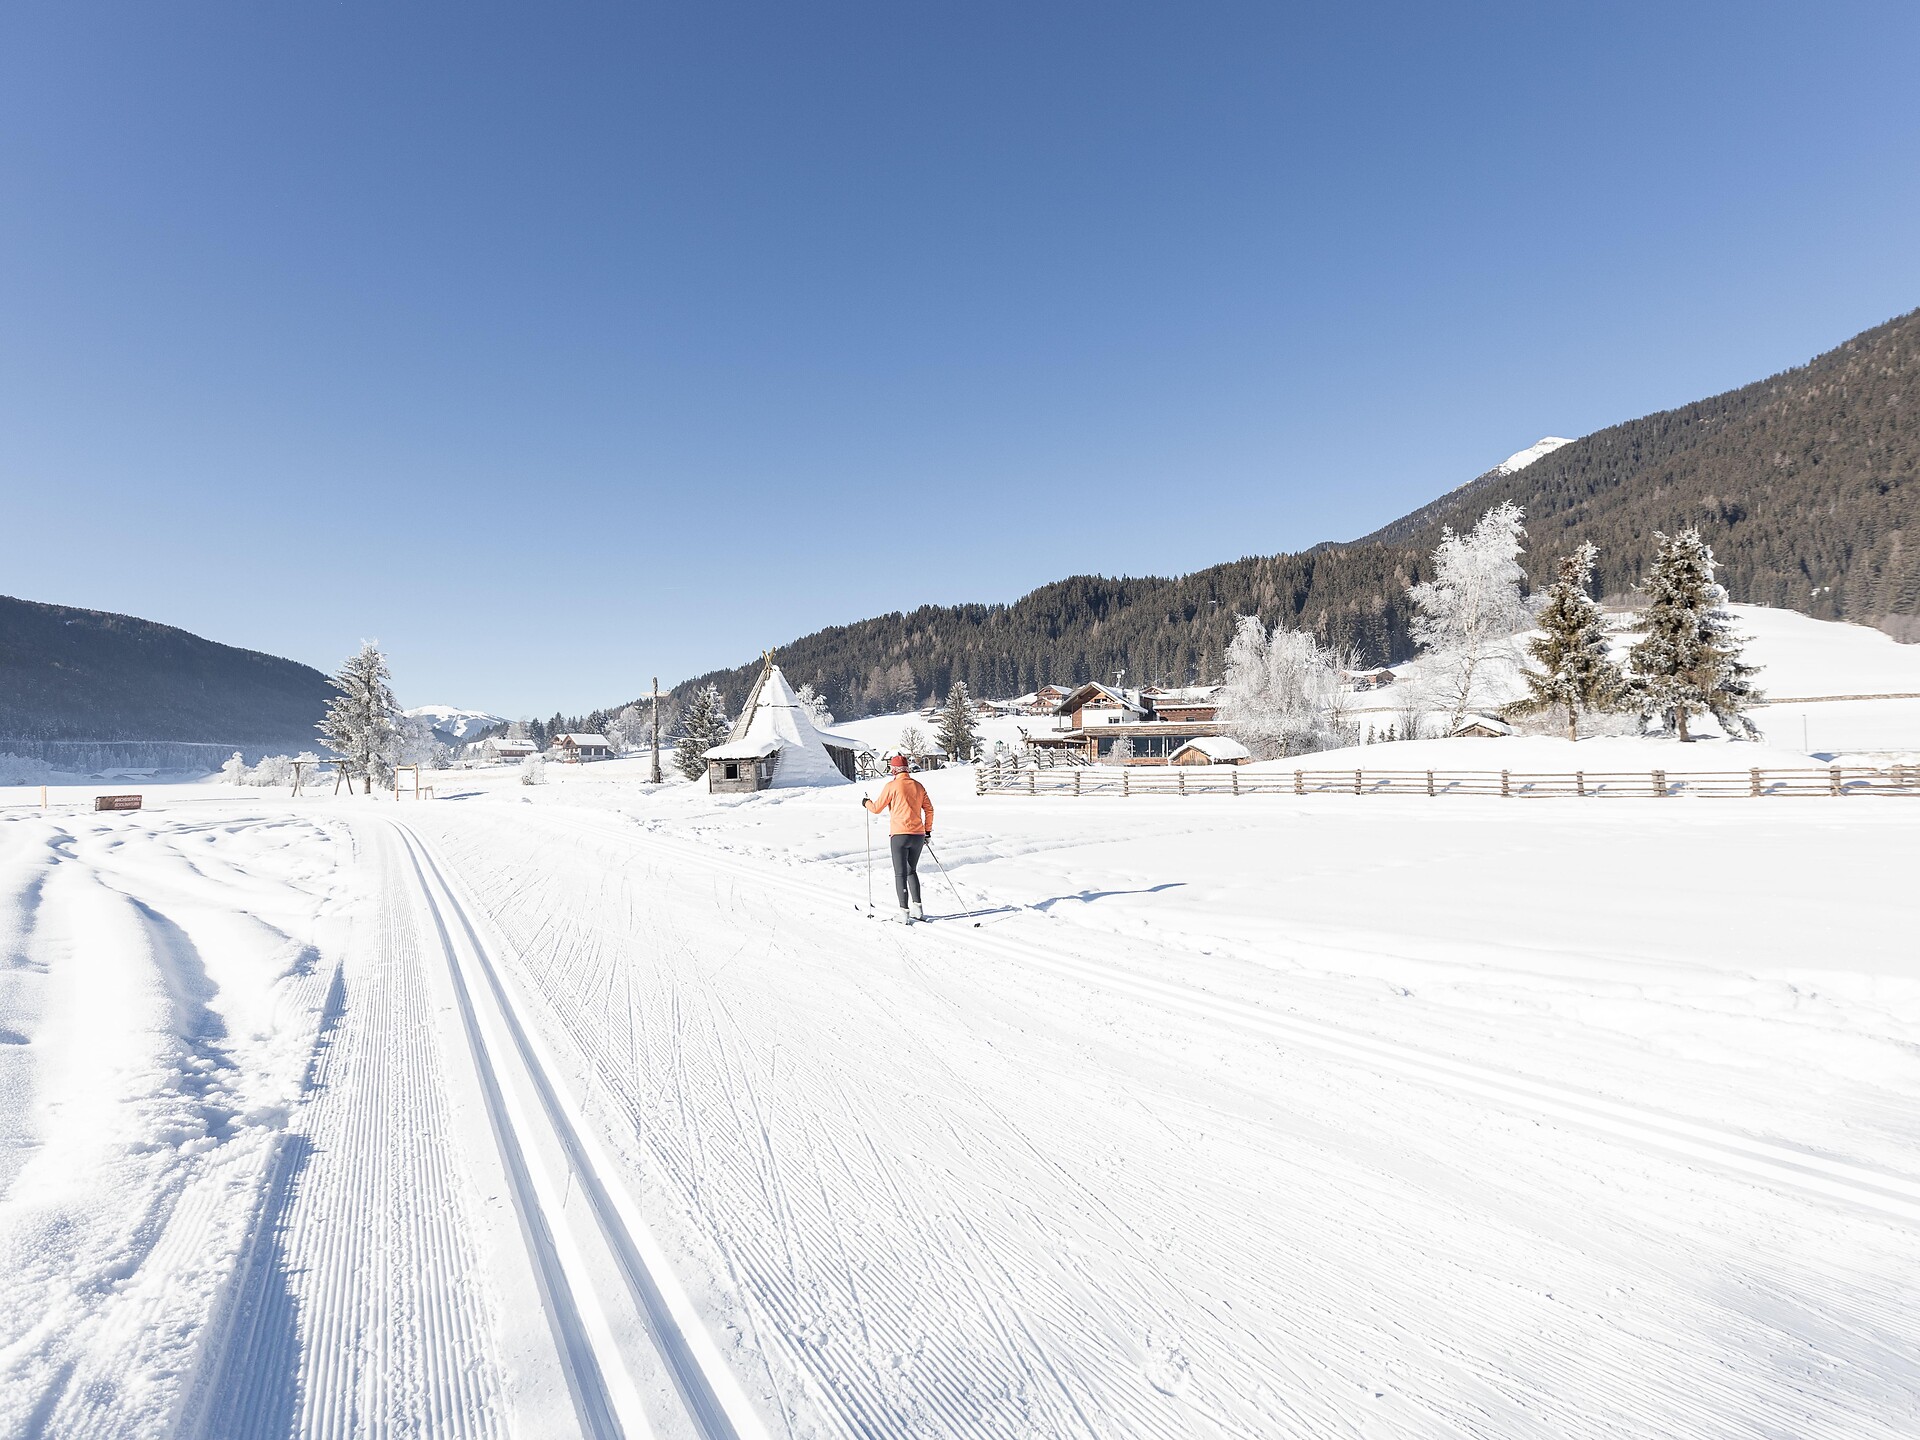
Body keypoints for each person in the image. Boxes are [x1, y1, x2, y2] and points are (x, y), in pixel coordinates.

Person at [863, 754, 934, 922]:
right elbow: (929, 810)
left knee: (900, 874)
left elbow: (876, 808)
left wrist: (866, 802)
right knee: (912, 871)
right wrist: (928, 831)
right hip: (918, 835)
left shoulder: (892, 786)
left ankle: (904, 913)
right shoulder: (918, 786)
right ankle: (918, 909)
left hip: (899, 835)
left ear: (894, 769)